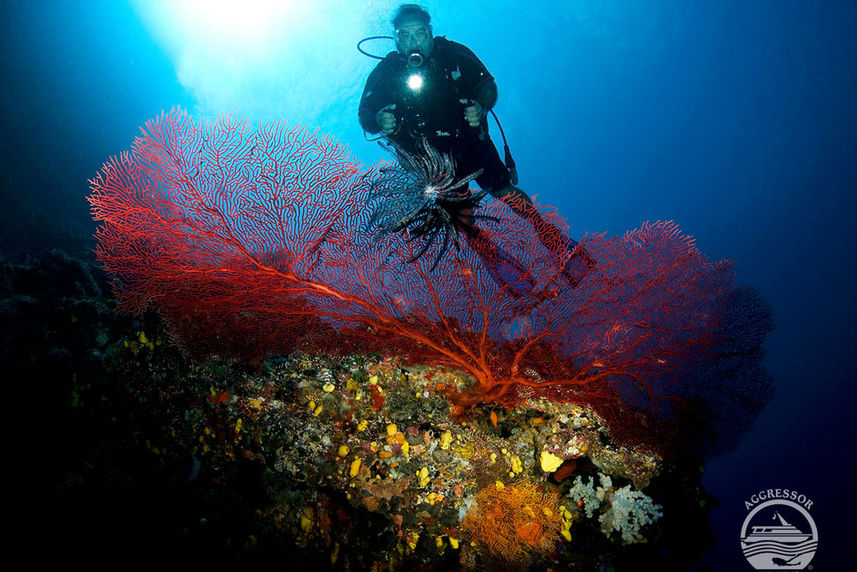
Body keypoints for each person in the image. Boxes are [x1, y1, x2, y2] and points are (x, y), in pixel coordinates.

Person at [359, 4, 595, 290]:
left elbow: (487, 85)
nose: (413, 42)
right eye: (405, 36)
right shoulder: (385, 73)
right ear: (396, 40)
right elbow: (365, 117)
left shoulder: (454, 53)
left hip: (470, 144)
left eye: (419, 34)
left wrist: (481, 106)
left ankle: (547, 233)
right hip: (431, 164)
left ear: (431, 33)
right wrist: (379, 119)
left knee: (503, 190)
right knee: (460, 215)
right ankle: (496, 261)